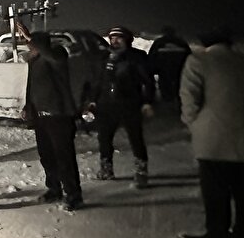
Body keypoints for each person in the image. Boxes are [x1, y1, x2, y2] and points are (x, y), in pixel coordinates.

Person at [179, 27, 244, 238]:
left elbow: (189, 98)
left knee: (216, 192)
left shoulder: (197, 61)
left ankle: (217, 235)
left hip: (213, 139)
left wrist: (194, 124)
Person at [20, 25, 83, 211]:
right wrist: (28, 106)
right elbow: (32, 87)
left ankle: (73, 195)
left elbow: (54, 59)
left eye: (30, 43)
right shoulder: (35, 61)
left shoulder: (57, 54)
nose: (28, 46)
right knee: (46, 156)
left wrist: (33, 40)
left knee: (64, 157)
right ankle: (54, 189)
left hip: (59, 115)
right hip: (41, 117)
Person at [85, 25, 155, 188]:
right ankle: (106, 169)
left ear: (127, 40)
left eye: (118, 38)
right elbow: (98, 81)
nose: (114, 41)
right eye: (112, 38)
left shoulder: (136, 57)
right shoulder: (104, 57)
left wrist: (147, 102)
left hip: (129, 104)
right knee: (104, 139)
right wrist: (92, 99)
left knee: (135, 138)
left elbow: (148, 81)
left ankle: (141, 173)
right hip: (106, 105)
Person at [147, 25, 192, 107]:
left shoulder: (159, 42)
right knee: (179, 88)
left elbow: (152, 57)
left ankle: (167, 105)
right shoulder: (181, 42)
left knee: (165, 89)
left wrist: (152, 70)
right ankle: (179, 105)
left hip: (164, 71)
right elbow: (189, 57)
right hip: (179, 71)